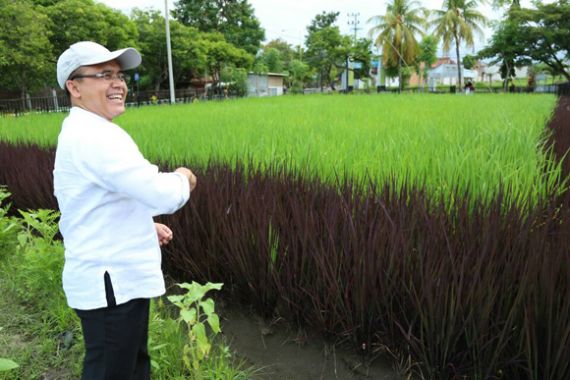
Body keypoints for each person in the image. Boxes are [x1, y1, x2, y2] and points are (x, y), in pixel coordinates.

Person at [53, 41, 197, 379]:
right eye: (104, 74)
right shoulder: (95, 136)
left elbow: (97, 203)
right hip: (111, 285)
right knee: (112, 371)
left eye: (119, 74)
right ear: (74, 87)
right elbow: (158, 192)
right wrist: (183, 178)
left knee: (130, 366)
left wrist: (145, 226)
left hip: (114, 281)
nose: (118, 83)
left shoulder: (88, 130)